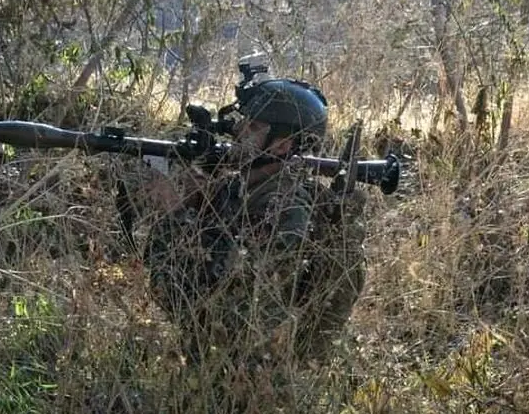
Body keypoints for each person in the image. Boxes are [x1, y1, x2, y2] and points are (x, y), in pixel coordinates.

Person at [138, 74, 367, 367]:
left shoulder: (286, 210)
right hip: (214, 362)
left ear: (282, 146)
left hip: (249, 378)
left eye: (254, 127)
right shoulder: (241, 187)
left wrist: (177, 215)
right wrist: (201, 200)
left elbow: (231, 306)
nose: (238, 131)